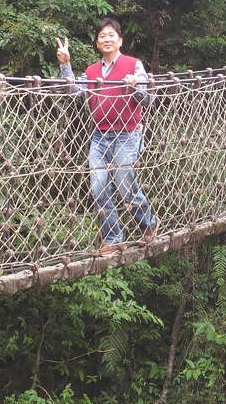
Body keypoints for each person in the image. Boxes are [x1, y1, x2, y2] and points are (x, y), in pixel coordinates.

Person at [56, 18, 159, 255]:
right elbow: (72, 91)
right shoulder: (92, 71)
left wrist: (135, 86)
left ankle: (149, 224)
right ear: (97, 42)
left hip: (128, 135)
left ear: (120, 41)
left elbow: (147, 100)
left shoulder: (134, 65)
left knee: (125, 185)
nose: (107, 39)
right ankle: (113, 238)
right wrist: (66, 66)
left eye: (111, 35)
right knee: (98, 187)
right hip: (100, 136)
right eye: (102, 36)